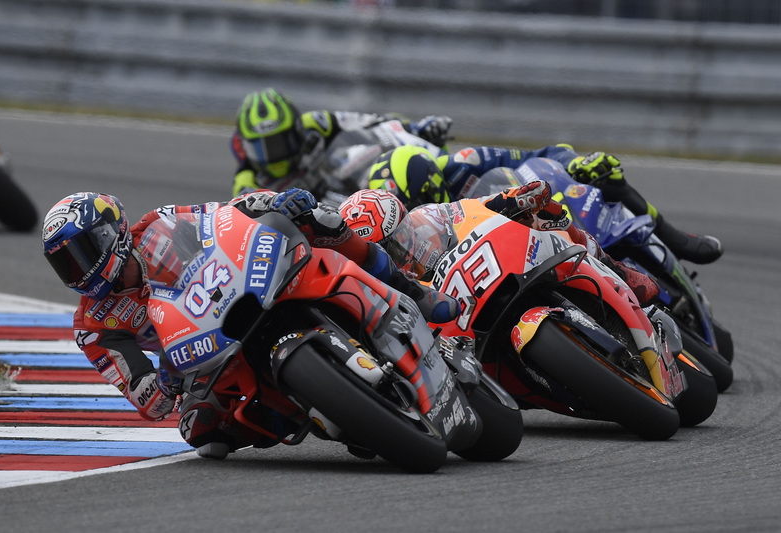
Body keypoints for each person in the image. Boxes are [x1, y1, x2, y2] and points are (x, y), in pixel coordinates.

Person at [41, 191, 457, 460]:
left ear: (111, 233)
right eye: (66, 264)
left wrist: (275, 203)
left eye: (83, 252)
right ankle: (312, 409)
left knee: (319, 221)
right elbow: (148, 402)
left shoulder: (157, 224)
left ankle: (411, 291)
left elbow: (223, 217)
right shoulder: (93, 326)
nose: (78, 270)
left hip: (241, 287)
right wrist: (166, 381)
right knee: (200, 430)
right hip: (202, 354)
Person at [367, 145, 723, 265]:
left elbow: (542, 154)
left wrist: (574, 163)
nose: (419, 216)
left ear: (431, 183)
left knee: (604, 175)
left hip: (534, 212)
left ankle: (674, 238)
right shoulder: (415, 239)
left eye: (420, 203)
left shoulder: (465, 162)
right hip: (502, 255)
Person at [340, 185, 661, 308]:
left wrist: (511, 199)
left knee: (547, 218)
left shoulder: (429, 218)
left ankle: (614, 269)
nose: (402, 249)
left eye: (400, 236)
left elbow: (471, 208)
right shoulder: (378, 290)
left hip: (488, 268)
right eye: (388, 249)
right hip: (449, 313)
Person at [230, 87, 452, 197]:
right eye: (260, 148)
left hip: (345, 184)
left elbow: (372, 121)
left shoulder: (315, 123)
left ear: (296, 129)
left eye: (279, 142)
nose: (272, 155)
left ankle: (440, 163)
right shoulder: (247, 182)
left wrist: (414, 129)